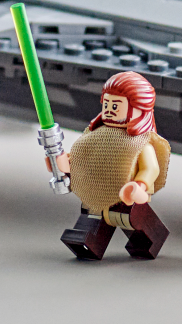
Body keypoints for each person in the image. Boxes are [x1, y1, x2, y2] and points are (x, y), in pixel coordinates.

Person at [53, 70, 171, 260]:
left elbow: (151, 168)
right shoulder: (94, 136)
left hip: (128, 195)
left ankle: (150, 239)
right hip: (98, 190)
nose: (108, 110)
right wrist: (62, 164)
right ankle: (88, 241)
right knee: (93, 214)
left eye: (116, 105)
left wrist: (139, 185)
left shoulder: (141, 142)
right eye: (106, 104)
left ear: (138, 109)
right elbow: (80, 159)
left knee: (128, 218)